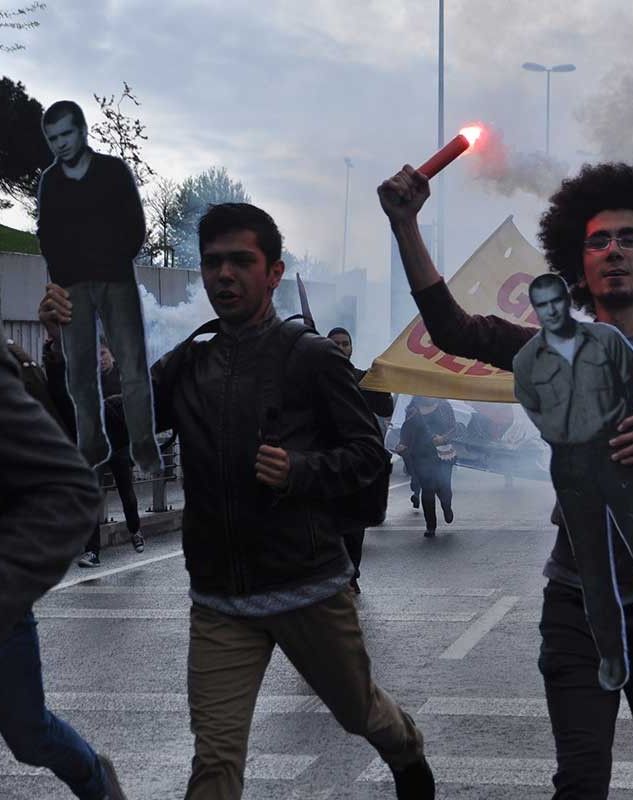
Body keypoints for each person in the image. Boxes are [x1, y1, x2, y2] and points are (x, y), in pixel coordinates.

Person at [380, 160, 633, 799]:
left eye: (629, 238)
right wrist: (405, 226)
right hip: (577, 599)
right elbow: (453, 329)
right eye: (597, 241)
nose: (613, 250)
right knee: (581, 779)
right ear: (580, 270)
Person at [40, 202, 433, 800]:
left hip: (309, 587)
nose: (224, 275)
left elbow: (368, 456)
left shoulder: (312, 358)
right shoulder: (188, 364)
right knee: (216, 767)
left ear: (274, 272)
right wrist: (62, 348)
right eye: (213, 263)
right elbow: (110, 431)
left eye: (241, 262)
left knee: (361, 714)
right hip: (221, 598)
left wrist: (300, 470)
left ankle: (406, 752)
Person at [514, 273, 633, 690]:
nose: (550, 311)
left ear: (566, 301)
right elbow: (535, 411)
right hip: (571, 466)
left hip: (619, 455)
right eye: (541, 305)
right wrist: (568, 435)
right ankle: (611, 656)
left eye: (555, 302)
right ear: (536, 308)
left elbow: (631, 393)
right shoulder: (527, 361)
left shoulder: (606, 340)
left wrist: (605, 427)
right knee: (593, 565)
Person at [0, 307, 128, 799]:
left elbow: (66, 458)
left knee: (29, 736)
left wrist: (57, 348)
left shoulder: (9, 375)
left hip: (1, 604)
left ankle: (94, 779)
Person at [36, 100, 162, 477]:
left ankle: (144, 445)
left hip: (116, 281)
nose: (60, 144)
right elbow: (47, 232)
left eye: (66, 134)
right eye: (52, 138)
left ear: (83, 130)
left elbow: (135, 224)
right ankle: (91, 444)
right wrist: (61, 275)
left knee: (132, 366)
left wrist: (114, 259)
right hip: (73, 286)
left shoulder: (112, 171)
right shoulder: (50, 182)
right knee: (79, 372)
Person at [39, 338, 145, 567]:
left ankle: (135, 529)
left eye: (103, 353)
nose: (100, 359)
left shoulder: (123, 377)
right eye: (96, 355)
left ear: (112, 355)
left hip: (120, 446)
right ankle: (92, 551)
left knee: (126, 493)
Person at [326, 326, 396, 593]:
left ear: (351, 347)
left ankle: (351, 573)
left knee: (354, 525)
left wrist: (382, 384)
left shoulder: (363, 379)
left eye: (345, 343)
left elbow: (385, 408)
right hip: (326, 462)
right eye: (336, 343)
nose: (342, 347)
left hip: (356, 462)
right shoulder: (313, 376)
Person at [394, 396, 457, 538]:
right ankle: (431, 526)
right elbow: (407, 430)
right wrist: (402, 444)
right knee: (428, 490)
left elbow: (453, 428)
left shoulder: (444, 406)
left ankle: (447, 508)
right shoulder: (413, 409)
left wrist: (443, 438)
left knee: (444, 488)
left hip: (443, 454)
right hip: (421, 456)